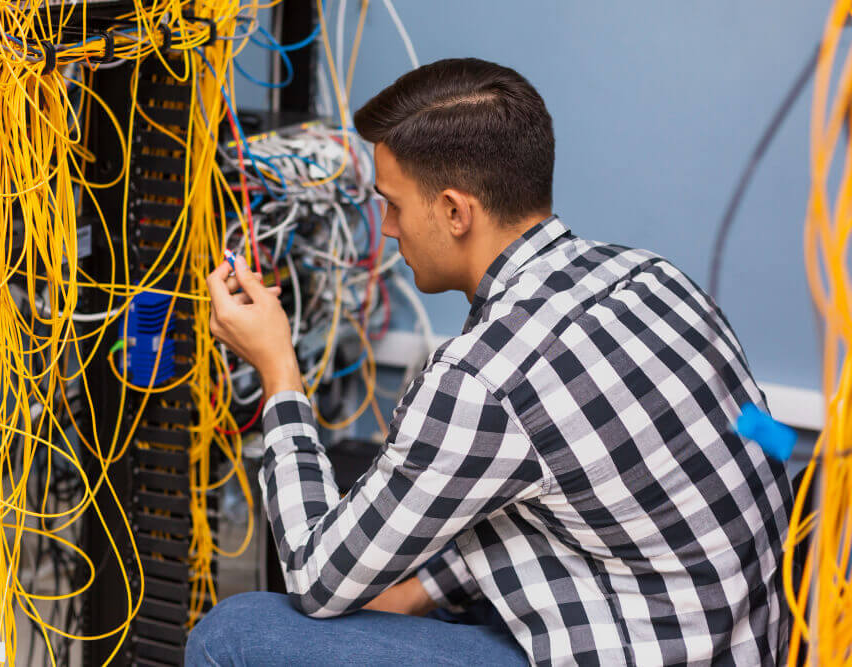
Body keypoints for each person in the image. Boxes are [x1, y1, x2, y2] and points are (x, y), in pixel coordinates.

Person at [188, 58, 793, 666]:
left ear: (455, 212)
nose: (389, 228)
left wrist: (279, 373)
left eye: (393, 204)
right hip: (737, 641)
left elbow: (316, 578)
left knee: (237, 632)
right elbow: (584, 504)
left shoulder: (483, 380)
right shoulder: (653, 276)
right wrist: (421, 593)